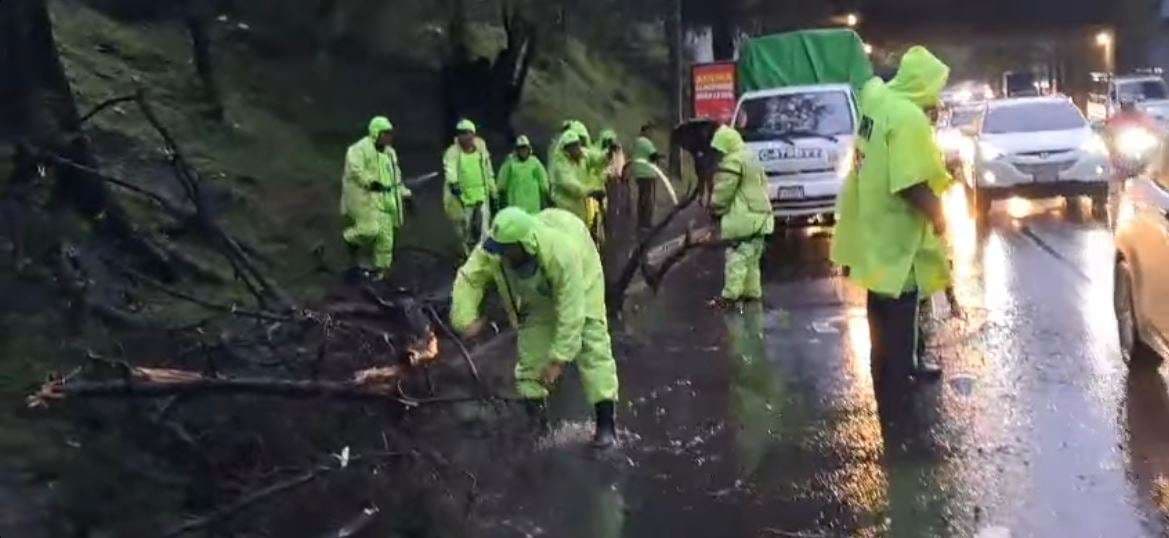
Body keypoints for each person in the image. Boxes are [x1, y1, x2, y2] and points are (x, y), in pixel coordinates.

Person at [830, 46, 952, 393]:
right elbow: (910, 182)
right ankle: (901, 377)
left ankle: (884, 367)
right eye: (935, 87)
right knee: (902, 304)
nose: (937, 96)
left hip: (872, 219)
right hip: (898, 230)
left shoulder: (878, 99)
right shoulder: (907, 117)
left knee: (879, 301)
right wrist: (938, 214)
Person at [450, 207, 620, 448]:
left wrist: (559, 360)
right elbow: (469, 278)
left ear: (524, 245)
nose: (502, 256)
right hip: (536, 297)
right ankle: (538, 429)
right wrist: (464, 319)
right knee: (530, 360)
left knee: (592, 344)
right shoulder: (495, 248)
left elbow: (572, 312)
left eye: (508, 251)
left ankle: (606, 427)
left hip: (580, 275)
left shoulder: (561, 252)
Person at [708, 125, 775, 307]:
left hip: (743, 219)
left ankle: (730, 296)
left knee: (736, 258)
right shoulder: (751, 157)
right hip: (761, 216)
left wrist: (715, 208)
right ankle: (752, 293)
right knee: (752, 259)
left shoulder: (732, 161)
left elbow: (724, 190)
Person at [340, 116, 411, 281]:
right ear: (376, 132)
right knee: (369, 230)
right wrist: (371, 183)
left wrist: (405, 194)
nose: (389, 137)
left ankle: (380, 273)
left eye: (390, 134)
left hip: (386, 201)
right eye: (385, 133)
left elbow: (396, 179)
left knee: (386, 240)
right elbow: (355, 170)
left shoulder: (390, 153)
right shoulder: (359, 149)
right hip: (365, 199)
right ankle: (349, 238)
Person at [443, 119, 496, 253]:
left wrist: (493, 191)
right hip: (463, 199)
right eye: (461, 133)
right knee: (465, 230)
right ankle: (468, 254)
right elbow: (450, 171)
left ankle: (483, 254)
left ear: (473, 134)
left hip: (481, 195)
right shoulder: (452, 152)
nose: (464, 137)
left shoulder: (481, 150)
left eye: (467, 133)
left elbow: (488, 171)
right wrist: (454, 186)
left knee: (484, 229)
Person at [549, 131, 605, 235]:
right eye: (572, 146)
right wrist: (591, 191)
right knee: (568, 234)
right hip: (564, 206)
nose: (576, 148)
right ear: (566, 149)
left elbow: (596, 158)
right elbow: (571, 184)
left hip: (579, 206)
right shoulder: (560, 163)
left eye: (577, 144)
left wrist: (607, 155)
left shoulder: (582, 154)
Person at [496, 135, 549, 215]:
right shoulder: (510, 163)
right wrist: (498, 193)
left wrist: (546, 193)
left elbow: (543, 181)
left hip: (533, 209)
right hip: (515, 207)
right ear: (517, 150)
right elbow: (501, 183)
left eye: (525, 148)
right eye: (520, 149)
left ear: (529, 149)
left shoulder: (535, 163)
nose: (523, 151)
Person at [630, 123, 663, 233]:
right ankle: (646, 223)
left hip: (639, 173)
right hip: (647, 173)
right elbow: (653, 156)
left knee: (642, 198)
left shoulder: (636, 142)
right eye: (650, 131)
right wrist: (660, 157)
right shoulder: (645, 142)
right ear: (645, 131)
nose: (651, 134)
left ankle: (641, 222)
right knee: (648, 199)